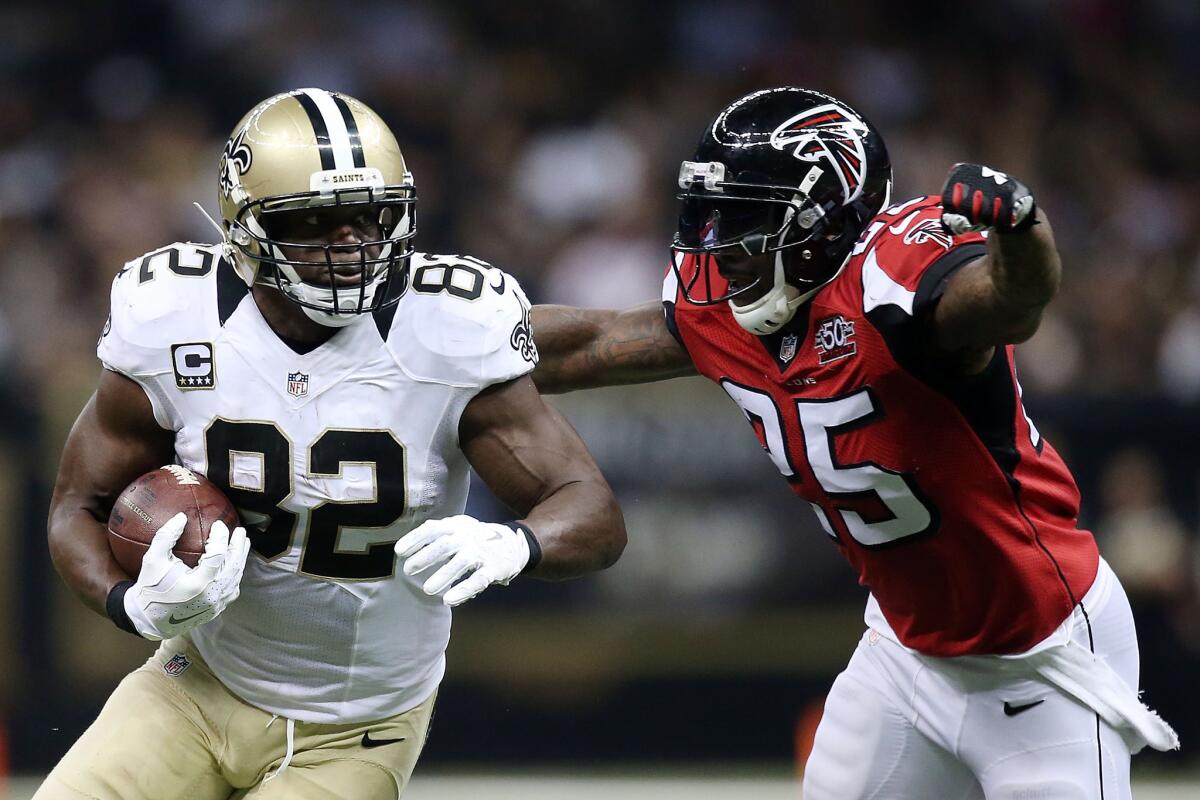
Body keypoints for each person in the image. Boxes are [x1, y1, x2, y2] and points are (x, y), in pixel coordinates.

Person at [531, 86, 1177, 799]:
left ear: (824, 222)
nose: (720, 245)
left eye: (748, 219)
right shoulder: (720, 305)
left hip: (1042, 652)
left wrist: (1023, 232)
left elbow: (1011, 301)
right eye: (716, 215)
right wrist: (437, 334)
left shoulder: (894, 290)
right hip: (905, 653)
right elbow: (590, 343)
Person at [41, 88, 626, 800]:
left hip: (356, 725)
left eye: (368, 217)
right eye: (316, 221)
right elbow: (79, 505)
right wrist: (129, 605)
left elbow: (591, 512)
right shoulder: (173, 315)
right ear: (246, 229)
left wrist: (515, 545)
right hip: (193, 686)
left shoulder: (447, 327)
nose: (349, 245)